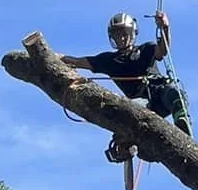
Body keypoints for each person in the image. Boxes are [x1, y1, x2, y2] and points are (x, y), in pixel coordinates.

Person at [61, 11, 191, 179]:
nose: (121, 38)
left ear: (132, 33)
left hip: (159, 93)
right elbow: (77, 61)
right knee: (133, 114)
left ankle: (181, 121)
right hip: (140, 104)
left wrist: (165, 27)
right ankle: (136, 146)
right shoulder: (108, 60)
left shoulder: (146, 49)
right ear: (112, 37)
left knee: (174, 92)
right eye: (117, 35)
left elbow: (162, 50)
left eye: (124, 33)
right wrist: (49, 56)